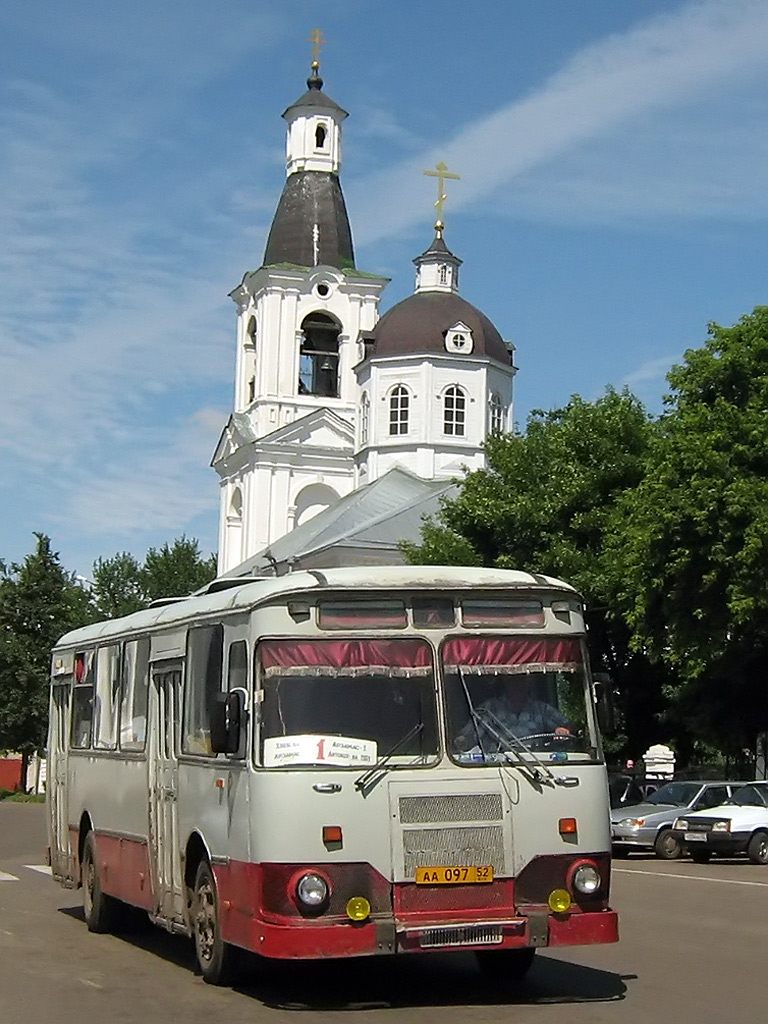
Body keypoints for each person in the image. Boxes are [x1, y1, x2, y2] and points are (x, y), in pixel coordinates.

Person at [455, 673, 571, 753]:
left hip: (536, 764)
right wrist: (461, 742)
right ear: (506, 682)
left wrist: (563, 729)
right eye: (514, 680)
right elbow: (468, 736)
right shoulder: (489, 708)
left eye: (522, 679)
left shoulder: (541, 708)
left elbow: (569, 726)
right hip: (499, 766)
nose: (518, 684)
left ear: (528, 683)